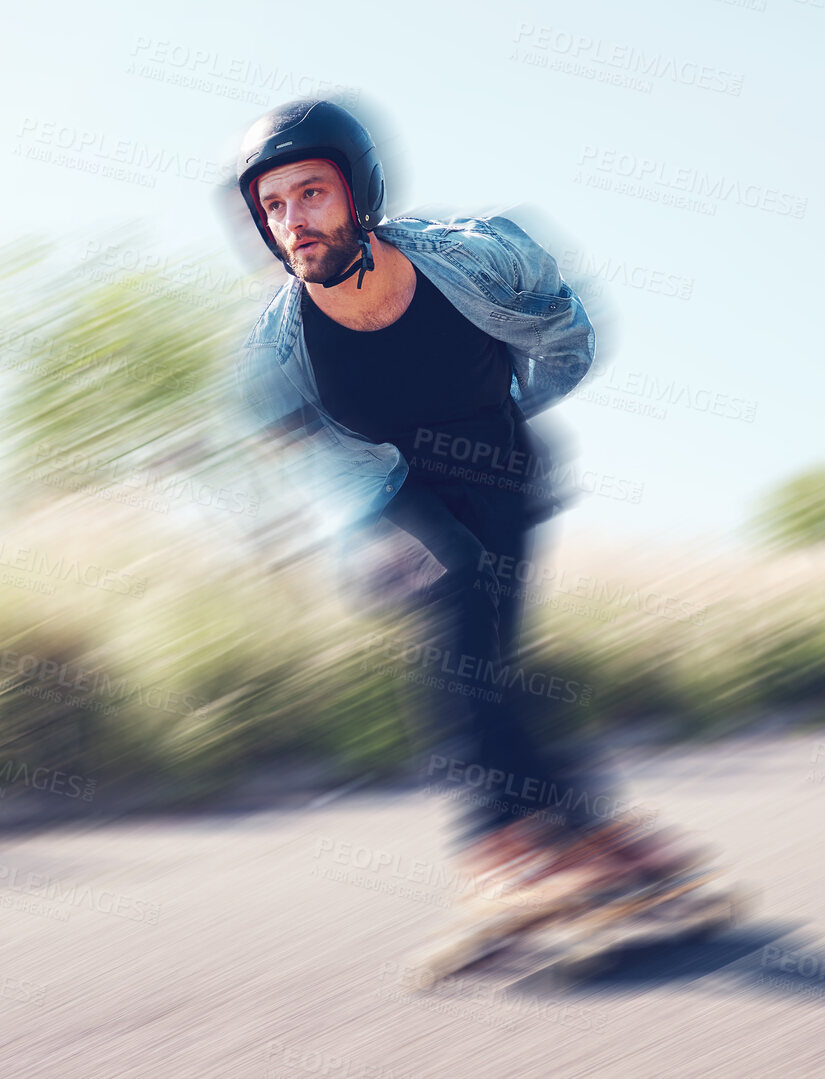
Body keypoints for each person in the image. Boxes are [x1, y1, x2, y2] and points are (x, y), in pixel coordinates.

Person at [229, 99, 702, 913]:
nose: (292, 221)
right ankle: (523, 841)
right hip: (398, 493)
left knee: (488, 660)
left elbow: (564, 328)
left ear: (358, 191)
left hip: (504, 467)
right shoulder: (279, 348)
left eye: (311, 192)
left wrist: (518, 398)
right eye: (273, 206)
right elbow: (299, 444)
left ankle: (572, 833)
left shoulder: (473, 257)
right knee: (460, 631)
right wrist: (367, 531)